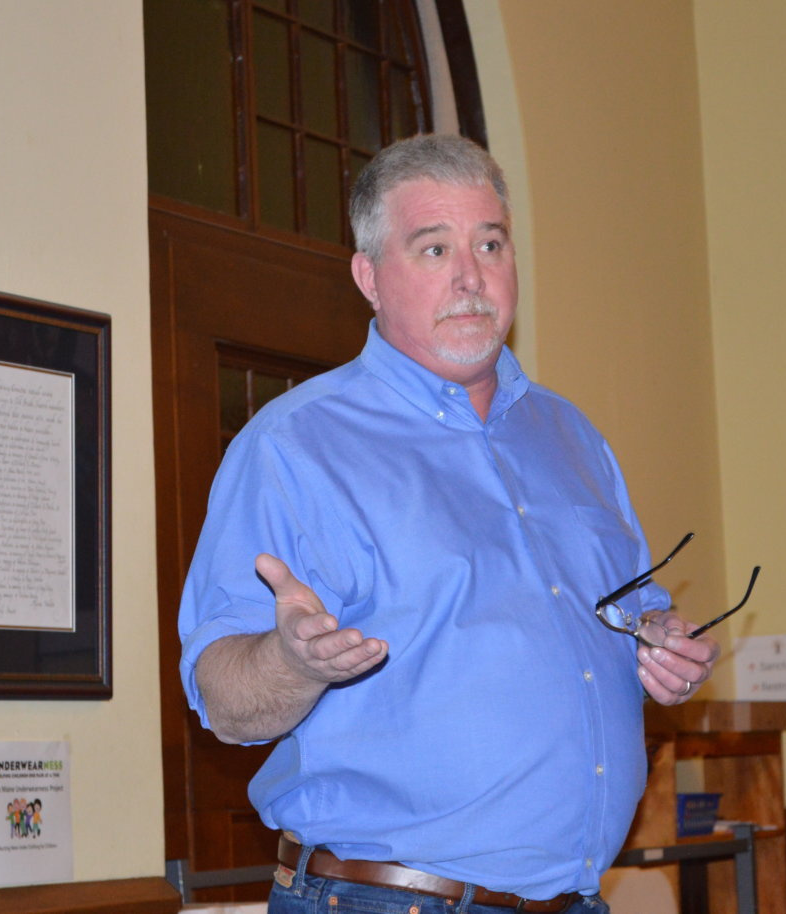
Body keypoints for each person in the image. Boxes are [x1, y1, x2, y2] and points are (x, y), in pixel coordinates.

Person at [179, 134, 719, 914]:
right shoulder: (293, 446)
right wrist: (294, 662)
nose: (471, 277)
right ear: (369, 276)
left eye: (490, 244)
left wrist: (659, 641)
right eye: (433, 249)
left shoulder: (573, 438)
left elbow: (630, 611)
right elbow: (225, 702)